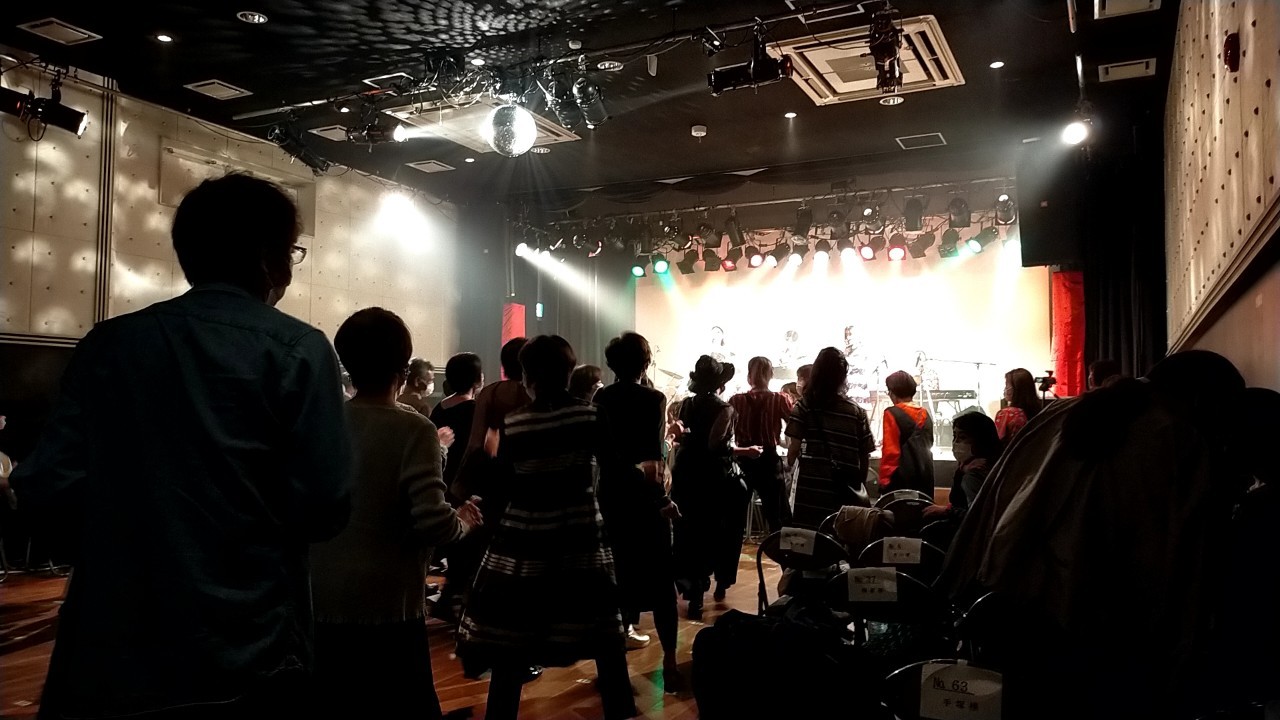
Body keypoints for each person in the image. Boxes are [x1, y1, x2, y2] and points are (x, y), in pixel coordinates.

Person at [9, 174, 352, 719]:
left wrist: (122, 552)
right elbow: (324, 505)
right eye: (292, 252)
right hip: (247, 646)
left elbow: (46, 485)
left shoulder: (108, 345)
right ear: (267, 259)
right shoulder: (298, 349)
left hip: (111, 649)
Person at [936, 351, 1249, 719]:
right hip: (1102, 628)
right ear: (1200, 400)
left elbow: (997, 501)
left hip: (1015, 600)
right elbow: (1170, 560)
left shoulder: (1060, 412)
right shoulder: (1173, 436)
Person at [310, 309, 482, 719]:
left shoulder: (322, 423)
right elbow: (434, 522)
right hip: (387, 599)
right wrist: (464, 520)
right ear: (403, 371)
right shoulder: (414, 428)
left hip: (322, 593)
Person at [457, 336, 638, 720]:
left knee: (512, 637)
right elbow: (616, 469)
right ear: (568, 373)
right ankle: (620, 709)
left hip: (524, 535)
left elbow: (506, 483)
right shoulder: (591, 415)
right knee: (602, 635)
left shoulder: (515, 423)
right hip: (580, 532)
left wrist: (489, 458)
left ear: (527, 377)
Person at [593, 332, 683, 690]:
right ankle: (670, 663)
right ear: (646, 363)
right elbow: (655, 458)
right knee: (661, 585)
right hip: (646, 500)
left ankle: (612, 672)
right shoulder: (654, 399)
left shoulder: (601, 398)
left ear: (612, 364)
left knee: (614, 583)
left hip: (612, 497)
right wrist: (663, 499)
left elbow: (603, 454)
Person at [670, 355, 762, 618]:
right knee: (717, 530)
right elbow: (715, 445)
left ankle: (692, 589)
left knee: (688, 532)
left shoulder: (686, 405)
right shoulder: (725, 409)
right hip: (711, 477)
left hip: (686, 473)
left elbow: (683, 438)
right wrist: (745, 451)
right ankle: (718, 582)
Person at [785, 348, 875, 529]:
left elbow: (793, 448)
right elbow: (864, 453)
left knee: (809, 537)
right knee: (841, 534)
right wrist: (858, 483)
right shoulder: (856, 411)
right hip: (845, 490)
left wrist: (789, 467)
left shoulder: (804, 406)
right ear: (842, 376)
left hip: (811, 488)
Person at [728, 357, 794, 533]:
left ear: (749, 375)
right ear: (771, 374)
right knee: (777, 514)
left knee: (735, 514)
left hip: (743, 459)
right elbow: (795, 426)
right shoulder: (779, 399)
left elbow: (725, 432)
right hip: (768, 460)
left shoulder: (736, 400)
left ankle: (731, 548)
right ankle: (779, 547)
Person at [922, 411, 1001, 525]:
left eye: (962, 437)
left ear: (980, 440)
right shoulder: (995, 464)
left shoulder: (973, 474)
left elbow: (977, 516)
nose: (956, 442)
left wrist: (947, 511)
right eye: (955, 436)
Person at [430, 352, 484, 497]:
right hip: (465, 484)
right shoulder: (475, 410)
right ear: (477, 379)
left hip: (441, 478)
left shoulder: (439, 407)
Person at [879, 370, 935, 496]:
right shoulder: (925, 413)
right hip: (925, 475)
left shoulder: (891, 413)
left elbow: (890, 451)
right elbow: (929, 443)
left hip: (901, 479)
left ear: (892, 392)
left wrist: (884, 480)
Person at [994, 368, 1042, 442]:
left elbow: (995, 440)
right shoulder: (1040, 411)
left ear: (1016, 388)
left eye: (1006, 385)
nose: (1005, 389)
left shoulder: (1007, 413)